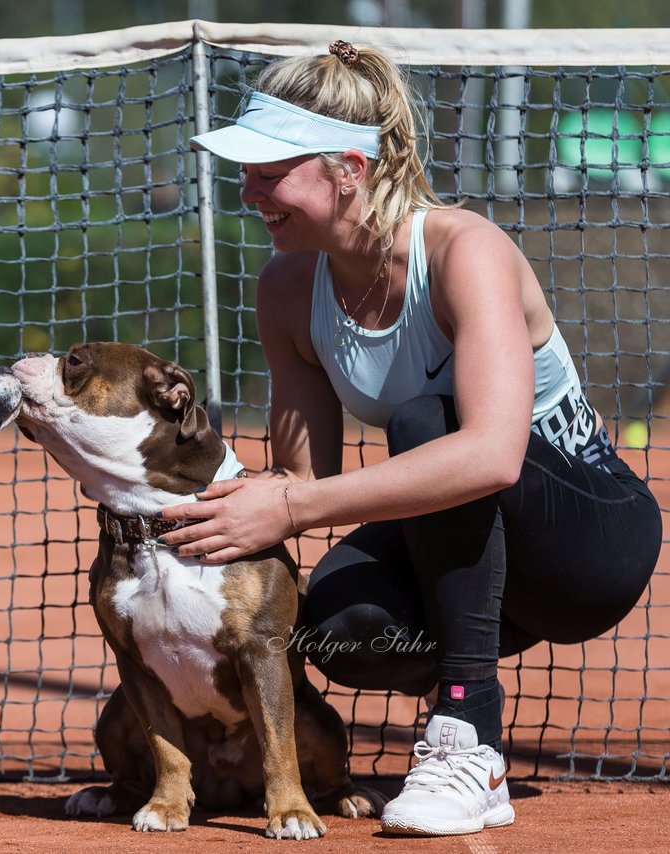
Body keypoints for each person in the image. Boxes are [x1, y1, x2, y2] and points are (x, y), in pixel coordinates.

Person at [160, 41, 661, 837]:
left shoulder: (464, 250)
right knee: (338, 626)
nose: (248, 189)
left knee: (430, 423)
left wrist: (292, 509)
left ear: (348, 169)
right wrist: (156, 483)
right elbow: (300, 477)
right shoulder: (287, 288)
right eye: (246, 170)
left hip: (593, 547)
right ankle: (465, 662)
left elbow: (492, 454)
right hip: (487, 555)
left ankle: (468, 736)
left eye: (269, 170)